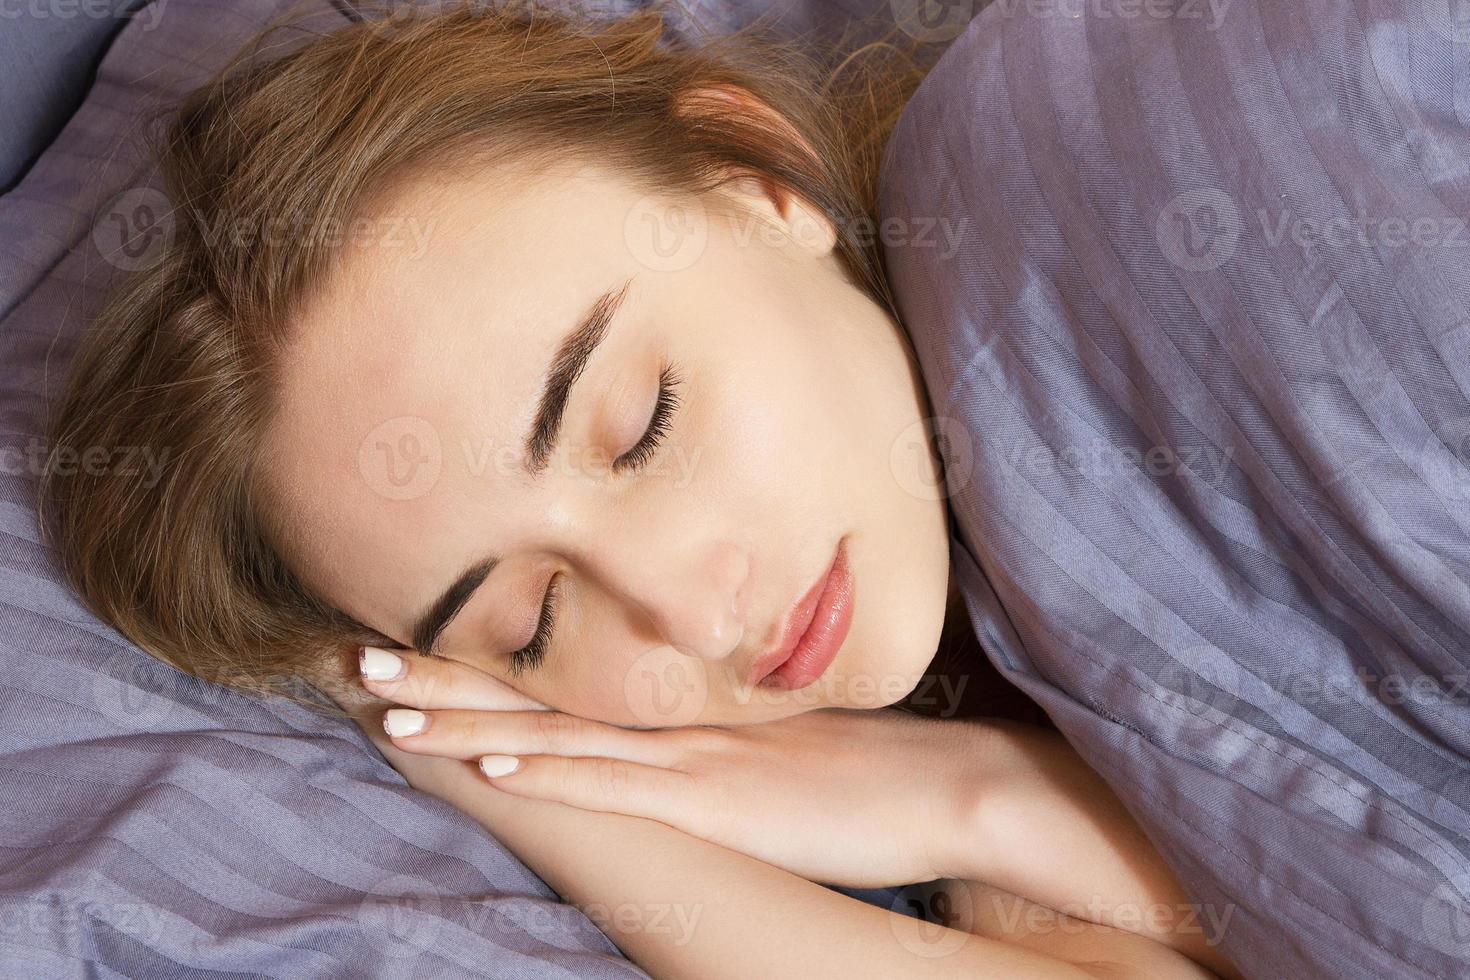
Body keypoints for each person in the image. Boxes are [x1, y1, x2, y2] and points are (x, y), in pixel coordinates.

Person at [37, 2, 1241, 976]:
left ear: (751, 174)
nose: (690, 613)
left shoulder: (1160, 218)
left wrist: (970, 798)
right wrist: (972, 800)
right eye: (531, 623)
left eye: (640, 427)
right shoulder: (897, 770)